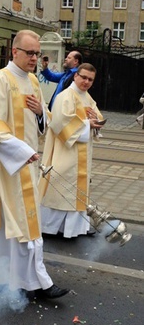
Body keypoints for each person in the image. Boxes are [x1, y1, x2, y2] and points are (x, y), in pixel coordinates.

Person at [0, 30, 69, 300]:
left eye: (38, 54)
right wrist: (22, 153)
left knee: (10, 223)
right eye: (30, 53)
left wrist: (40, 113)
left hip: (27, 164)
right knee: (12, 224)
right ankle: (34, 281)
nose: (35, 58)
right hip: (6, 166)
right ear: (14, 52)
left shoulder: (35, 81)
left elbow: (42, 123)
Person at [39, 63, 104, 238]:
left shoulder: (88, 98)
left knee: (77, 192)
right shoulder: (65, 96)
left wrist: (96, 121)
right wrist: (86, 124)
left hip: (82, 154)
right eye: (83, 77)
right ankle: (49, 227)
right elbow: (59, 123)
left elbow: (98, 119)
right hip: (65, 152)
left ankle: (75, 229)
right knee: (60, 188)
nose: (86, 81)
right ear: (75, 76)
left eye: (90, 79)